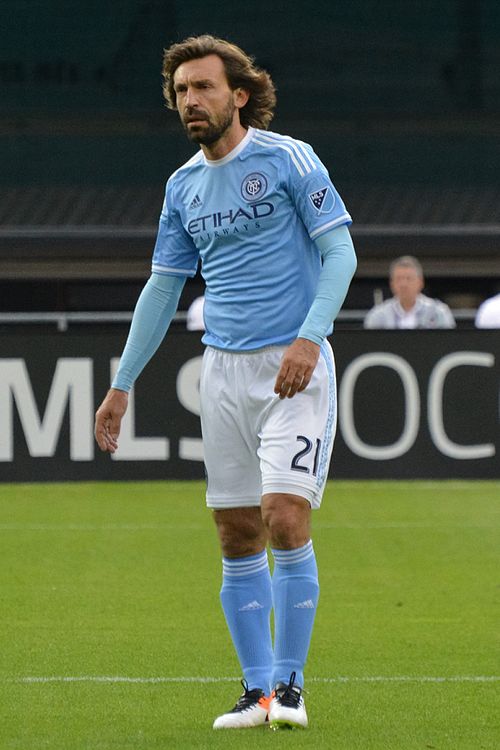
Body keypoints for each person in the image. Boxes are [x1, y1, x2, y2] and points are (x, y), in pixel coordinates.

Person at [94, 34, 356, 731]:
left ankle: (292, 688)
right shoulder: (182, 185)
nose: (191, 100)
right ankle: (256, 693)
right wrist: (123, 384)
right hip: (222, 370)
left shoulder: (287, 158)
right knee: (237, 531)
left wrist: (311, 336)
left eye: (203, 87)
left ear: (238, 94)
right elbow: (163, 288)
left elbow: (341, 253)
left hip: (293, 366)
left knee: (283, 517)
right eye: (181, 91)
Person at [363, 255, 456, 329]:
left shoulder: (438, 312)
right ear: (391, 283)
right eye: (399, 279)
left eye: (409, 279)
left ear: (420, 282)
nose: (404, 284)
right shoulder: (378, 316)